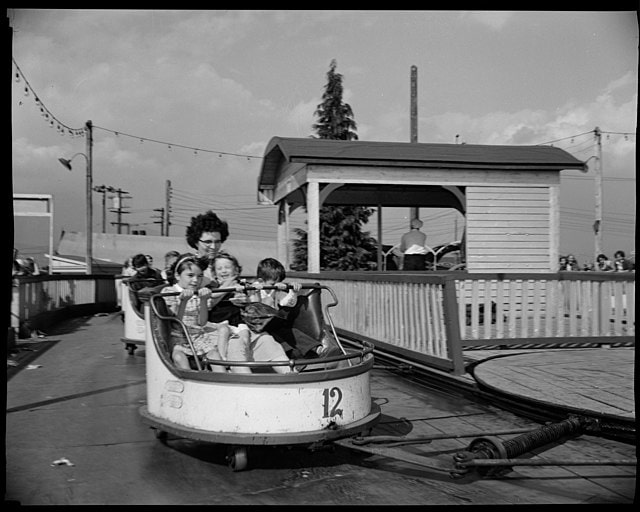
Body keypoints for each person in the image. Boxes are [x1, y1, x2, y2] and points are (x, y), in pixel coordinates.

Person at [161, 254, 247, 373]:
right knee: (179, 358)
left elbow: (202, 322)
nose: (196, 280)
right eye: (190, 276)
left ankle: (222, 381)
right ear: (177, 275)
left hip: (198, 337)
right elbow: (176, 321)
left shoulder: (196, 294)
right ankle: (190, 384)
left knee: (214, 356)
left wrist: (203, 300)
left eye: (200, 276)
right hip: (178, 338)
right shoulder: (170, 292)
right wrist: (183, 302)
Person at [246, 258, 341, 360]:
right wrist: (258, 292)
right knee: (277, 336)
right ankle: (296, 356)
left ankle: (318, 350)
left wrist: (292, 290)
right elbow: (256, 309)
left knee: (291, 331)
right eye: (273, 283)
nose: (276, 285)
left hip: (273, 325)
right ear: (261, 281)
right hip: (258, 326)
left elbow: (287, 303)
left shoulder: (274, 289)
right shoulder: (254, 289)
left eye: (279, 282)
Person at [185, 210, 229, 284]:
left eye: (217, 242)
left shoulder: (227, 265)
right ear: (196, 242)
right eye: (208, 242)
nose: (213, 246)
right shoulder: (187, 266)